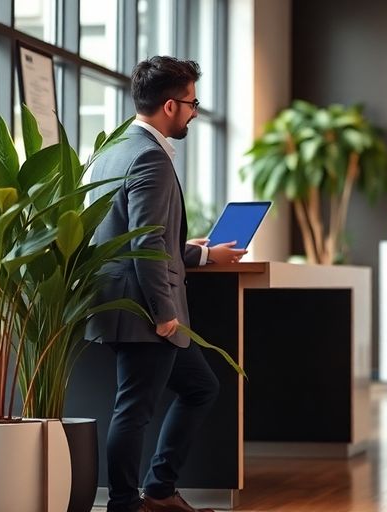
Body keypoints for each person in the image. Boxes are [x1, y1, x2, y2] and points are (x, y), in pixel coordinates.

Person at [87, 56, 248, 512]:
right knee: (134, 410)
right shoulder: (149, 157)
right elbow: (147, 242)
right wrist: (164, 314)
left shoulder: (114, 148)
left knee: (200, 387)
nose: (196, 112)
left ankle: (157, 489)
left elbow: (133, 234)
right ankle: (124, 503)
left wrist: (196, 251)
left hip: (121, 301)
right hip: (144, 309)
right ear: (172, 106)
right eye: (193, 103)